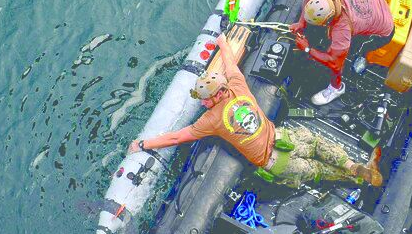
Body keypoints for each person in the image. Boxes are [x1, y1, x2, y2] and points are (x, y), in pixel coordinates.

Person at [127, 32, 381, 188]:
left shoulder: (211, 120)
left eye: (204, 99)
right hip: (283, 138)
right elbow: (230, 64)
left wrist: (142, 144)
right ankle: (352, 165)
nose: (203, 103)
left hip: (276, 160)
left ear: (216, 95)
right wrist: (223, 43)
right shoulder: (237, 86)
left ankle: (356, 176)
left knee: (315, 170)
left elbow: (176, 138)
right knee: (316, 144)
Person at [289, 0, 394, 105]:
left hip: (383, 30)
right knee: (338, 48)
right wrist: (301, 22)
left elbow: (335, 64)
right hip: (378, 3)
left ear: (327, 20)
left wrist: (307, 49)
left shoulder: (342, 28)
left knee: (348, 53)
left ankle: (336, 88)